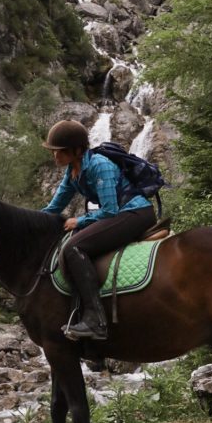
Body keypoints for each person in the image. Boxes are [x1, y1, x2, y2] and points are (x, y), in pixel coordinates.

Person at [41, 119, 156, 341]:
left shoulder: (99, 165)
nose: (56, 156)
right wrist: (29, 223)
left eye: (61, 151)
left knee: (74, 248)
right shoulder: (72, 172)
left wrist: (80, 221)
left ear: (77, 150)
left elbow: (110, 211)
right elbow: (53, 208)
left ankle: (96, 322)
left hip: (135, 213)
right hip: (121, 214)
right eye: (54, 151)